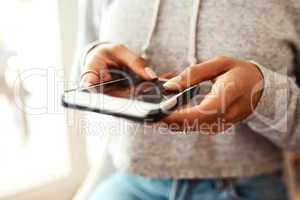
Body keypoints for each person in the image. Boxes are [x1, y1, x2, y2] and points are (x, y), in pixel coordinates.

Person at [74, 0, 300, 199]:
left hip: (244, 188)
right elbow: (80, 79)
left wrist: (262, 95)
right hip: (129, 181)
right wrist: (97, 66)